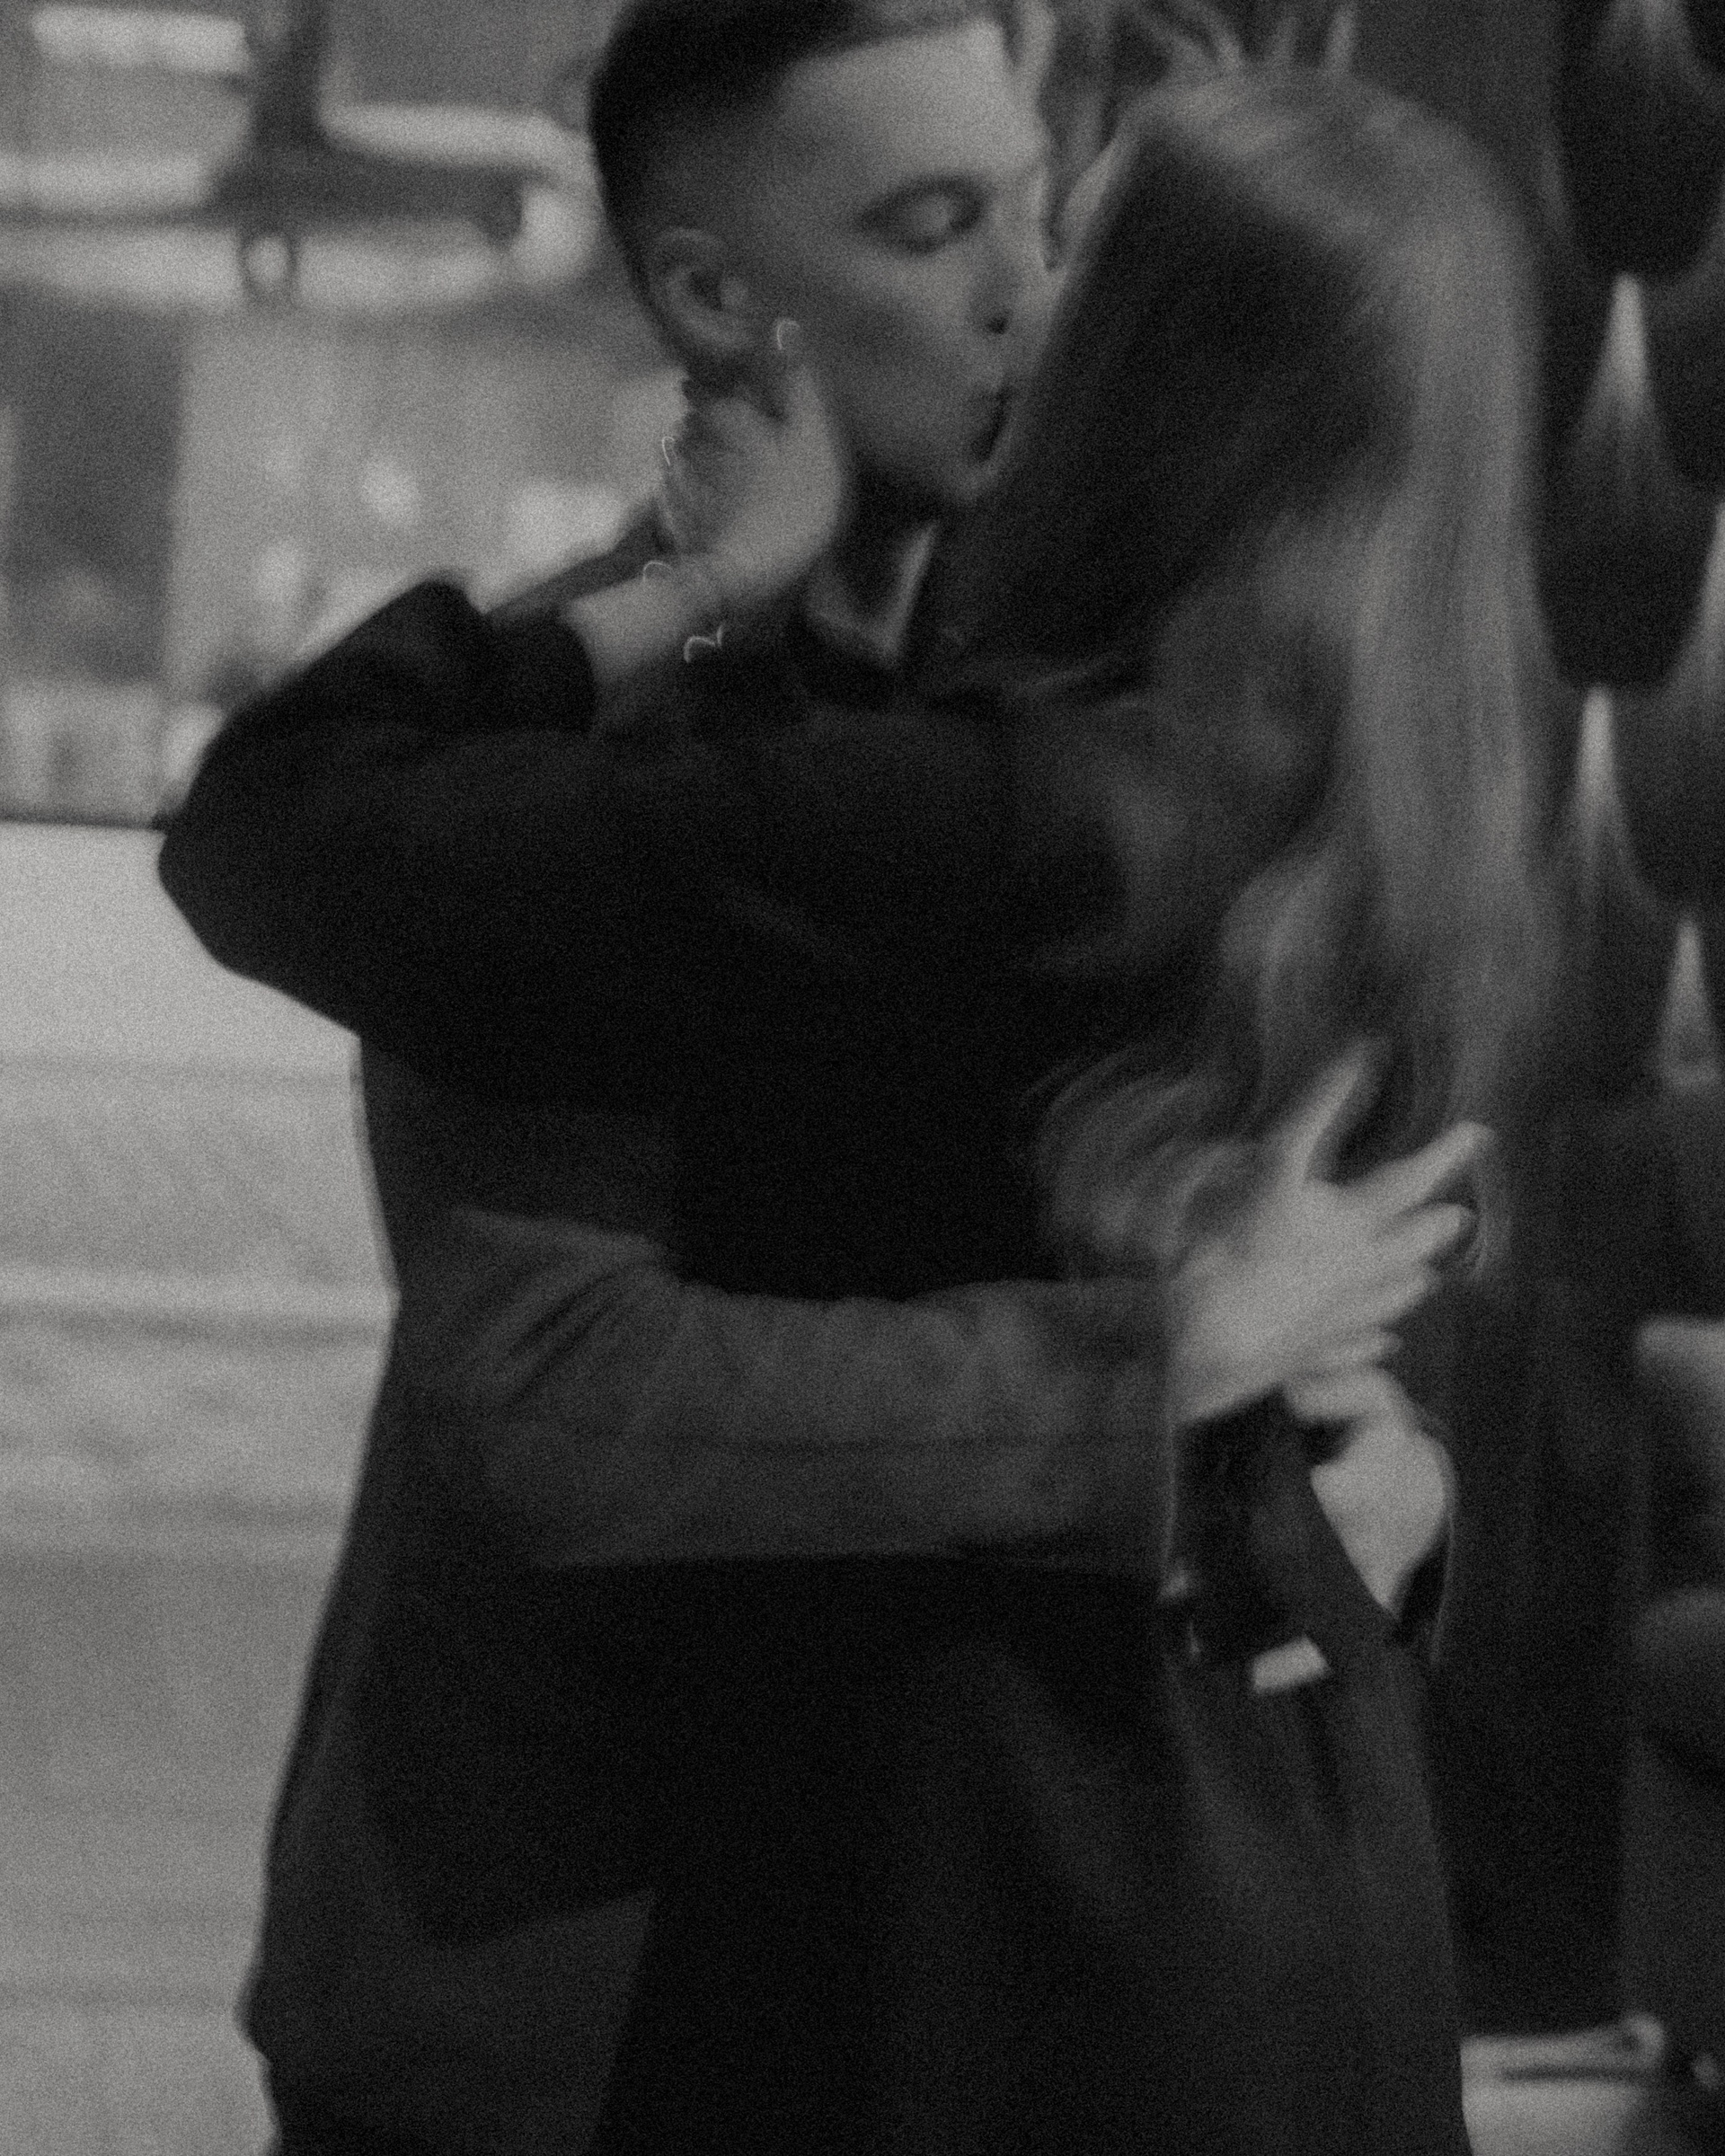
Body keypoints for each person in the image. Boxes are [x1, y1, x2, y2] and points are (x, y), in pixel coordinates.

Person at [158, 9, 1499, 2152]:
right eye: (934, 225)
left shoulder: (1129, 694)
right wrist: (1152, 1380)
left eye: (1043, 215)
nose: (1024, 293)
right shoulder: (597, 741)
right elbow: (556, 1399)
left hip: (1034, 1930)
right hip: (587, 1959)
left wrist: (1359, 1469)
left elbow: (1305, 1251)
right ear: (720, 300)